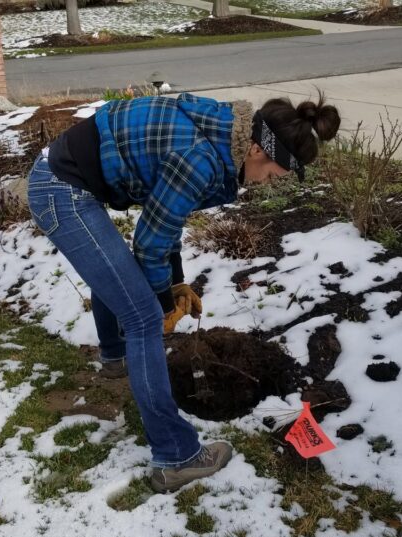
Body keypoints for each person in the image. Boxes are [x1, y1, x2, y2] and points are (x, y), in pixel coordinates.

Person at [27, 91, 340, 493]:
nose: (269, 183)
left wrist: (175, 281)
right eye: (276, 173)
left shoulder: (223, 132)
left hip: (70, 177)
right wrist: (161, 303)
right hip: (60, 190)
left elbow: (165, 218)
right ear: (260, 149)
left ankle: (115, 357)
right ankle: (176, 457)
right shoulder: (201, 157)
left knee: (118, 272)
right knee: (142, 317)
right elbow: (151, 241)